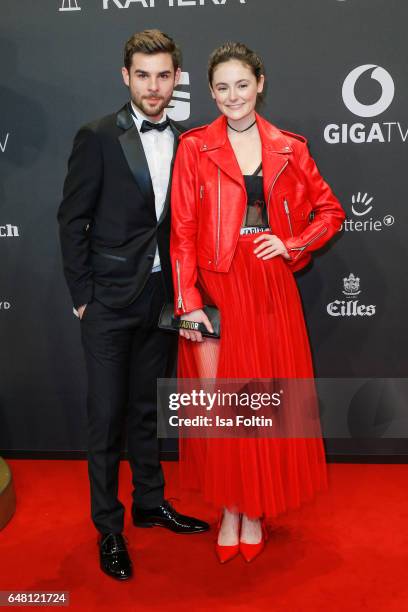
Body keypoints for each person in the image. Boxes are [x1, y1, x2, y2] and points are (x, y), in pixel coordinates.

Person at [170, 42, 345, 563]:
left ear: (260, 84)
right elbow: (181, 232)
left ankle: (254, 508)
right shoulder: (194, 147)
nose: (232, 96)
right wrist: (187, 301)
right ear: (210, 91)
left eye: (241, 85)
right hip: (218, 291)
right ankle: (230, 507)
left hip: (269, 288)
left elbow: (330, 212)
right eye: (221, 87)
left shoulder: (290, 147)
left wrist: (289, 243)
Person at [58, 29, 209, 581]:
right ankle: (109, 528)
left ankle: (150, 502)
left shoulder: (188, 141)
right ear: (126, 77)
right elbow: (72, 221)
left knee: (148, 410)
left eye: (163, 75)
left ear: (176, 79)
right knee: (106, 419)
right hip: (107, 304)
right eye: (142, 75)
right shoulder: (96, 136)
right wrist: (82, 299)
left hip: (160, 301)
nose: (153, 86)